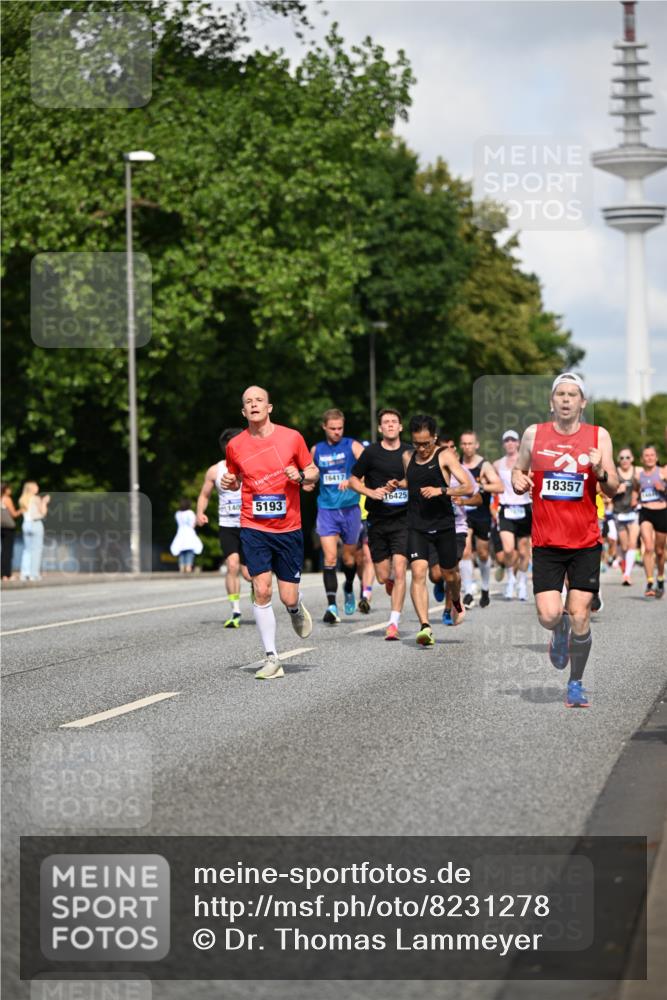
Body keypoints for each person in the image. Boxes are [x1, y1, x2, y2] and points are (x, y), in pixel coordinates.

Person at [511, 373, 619, 708]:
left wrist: (601, 470)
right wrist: (517, 480)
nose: (567, 399)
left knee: (580, 613)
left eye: (573, 394)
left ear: (583, 402)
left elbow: (613, 486)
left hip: (585, 542)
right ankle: (558, 631)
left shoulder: (598, 436)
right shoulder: (534, 434)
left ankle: (576, 683)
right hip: (546, 542)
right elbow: (519, 470)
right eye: (561, 394)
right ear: (552, 401)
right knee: (548, 614)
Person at [222, 386, 318, 679]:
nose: (253, 405)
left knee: (287, 596)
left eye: (258, 401)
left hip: (288, 527)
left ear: (269, 407)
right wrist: (230, 482)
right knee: (261, 588)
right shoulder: (235, 445)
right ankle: (271, 657)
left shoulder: (292, 437)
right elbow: (236, 478)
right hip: (253, 526)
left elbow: (313, 471)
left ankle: (295, 608)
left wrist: (300, 476)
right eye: (248, 402)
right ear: (243, 411)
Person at [394, 416, 472, 646]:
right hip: (417, 525)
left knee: (449, 575)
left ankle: (456, 600)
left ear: (434, 438)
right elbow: (413, 482)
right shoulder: (407, 457)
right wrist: (398, 484)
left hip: (444, 525)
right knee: (418, 573)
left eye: (426, 443)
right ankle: (425, 626)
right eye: (417, 443)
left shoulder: (445, 455)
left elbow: (468, 486)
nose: (422, 449)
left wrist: (441, 490)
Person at [349, 409, 409, 640]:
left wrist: (402, 484)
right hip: (378, 521)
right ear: (380, 428)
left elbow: (417, 479)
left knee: (402, 569)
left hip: (404, 520)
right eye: (386, 422)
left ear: (401, 427)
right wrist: (370, 492)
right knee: (384, 576)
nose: (391, 425)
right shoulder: (371, 453)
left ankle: (393, 623)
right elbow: (353, 479)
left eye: (395, 421)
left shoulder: (409, 453)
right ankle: (390, 581)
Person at [307, 409, 364, 623]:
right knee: (330, 558)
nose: (337, 432)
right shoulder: (317, 449)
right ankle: (331, 606)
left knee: (349, 559)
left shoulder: (352, 445)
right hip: (326, 509)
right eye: (332, 429)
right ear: (324, 427)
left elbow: (369, 466)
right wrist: (309, 483)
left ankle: (348, 587)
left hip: (350, 509)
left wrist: (353, 479)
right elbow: (310, 472)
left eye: (340, 428)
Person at [196, 428, 252, 627]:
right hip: (227, 525)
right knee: (232, 565)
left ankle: (258, 589)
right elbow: (204, 495)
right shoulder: (215, 470)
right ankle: (236, 611)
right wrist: (200, 512)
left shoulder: (251, 466)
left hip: (249, 524)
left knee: (248, 574)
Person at [459, 430, 503, 608]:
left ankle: (485, 588)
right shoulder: (457, 464)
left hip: (482, 513)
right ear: (461, 445)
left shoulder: (484, 465)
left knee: (483, 553)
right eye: (464, 444)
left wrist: (480, 486)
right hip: (463, 514)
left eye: (470, 443)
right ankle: (468, 591)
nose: (467, 447)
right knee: (465, 550)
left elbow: (499, 486)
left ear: (476, 445)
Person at [493, 430, 532, 601]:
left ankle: (522, 582)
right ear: (503, 444)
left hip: (524, 507)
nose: (509, 443)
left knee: (524, 552)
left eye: (513, 440)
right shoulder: (497, 464)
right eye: (506, 440)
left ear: (518, 443)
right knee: (508, 550)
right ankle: (511, 580)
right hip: (506, 508)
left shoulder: (527, 463)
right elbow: (494, 486)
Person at [636, 444, 667, 598]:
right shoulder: (639, 475)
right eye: (646, 455)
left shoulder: (663, 472)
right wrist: (635, 498)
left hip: (662, 512)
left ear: (656, 457)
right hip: (645, 512)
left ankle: (660, 577)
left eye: (652, 455)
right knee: (648, 547)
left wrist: (663, 489)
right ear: (642, 459)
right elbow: (636, 489)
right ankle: (649, 582)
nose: (649, 458)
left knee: (660, 551)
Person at [612, 447, 639, 586]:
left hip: (634, 512)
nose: (624, 460)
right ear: (618, 460)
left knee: (633, 543)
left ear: (632, 459)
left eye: (627, 457)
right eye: (622, 458)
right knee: (624, 545)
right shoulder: (614, 473)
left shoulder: (638, 471)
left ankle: (627, 575)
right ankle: (624, 567)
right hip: (619, 513)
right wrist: (616, 490)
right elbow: (605, 492)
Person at [18, 482, 50, 582]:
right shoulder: (36, 498)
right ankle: (34, 574)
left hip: (25, 524)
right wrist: (44, 502)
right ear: (31, 488)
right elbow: (43, 513)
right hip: (36, 524)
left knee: (27, 550)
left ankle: (24, 573)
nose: (38, 487)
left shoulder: (22, 499)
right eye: (36, 486)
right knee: (36, 550)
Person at [170, 498, 203, 573]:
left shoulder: (178, 513)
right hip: (189, 533)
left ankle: (181, 567)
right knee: (189, 551)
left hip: (180, 533)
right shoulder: (190, 512)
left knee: (181, 552)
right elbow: (192, 524)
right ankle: (188, 567)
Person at [1, 483, 21, 581]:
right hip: (8, 527)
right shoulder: (7, 499)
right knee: (8, 551)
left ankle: (2, 574)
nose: (11, 491)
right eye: (9, 489)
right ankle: (7, 575)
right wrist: (22, 510)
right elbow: (14, 514)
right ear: (5, 490)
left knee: (3, 551)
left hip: (1, 527)